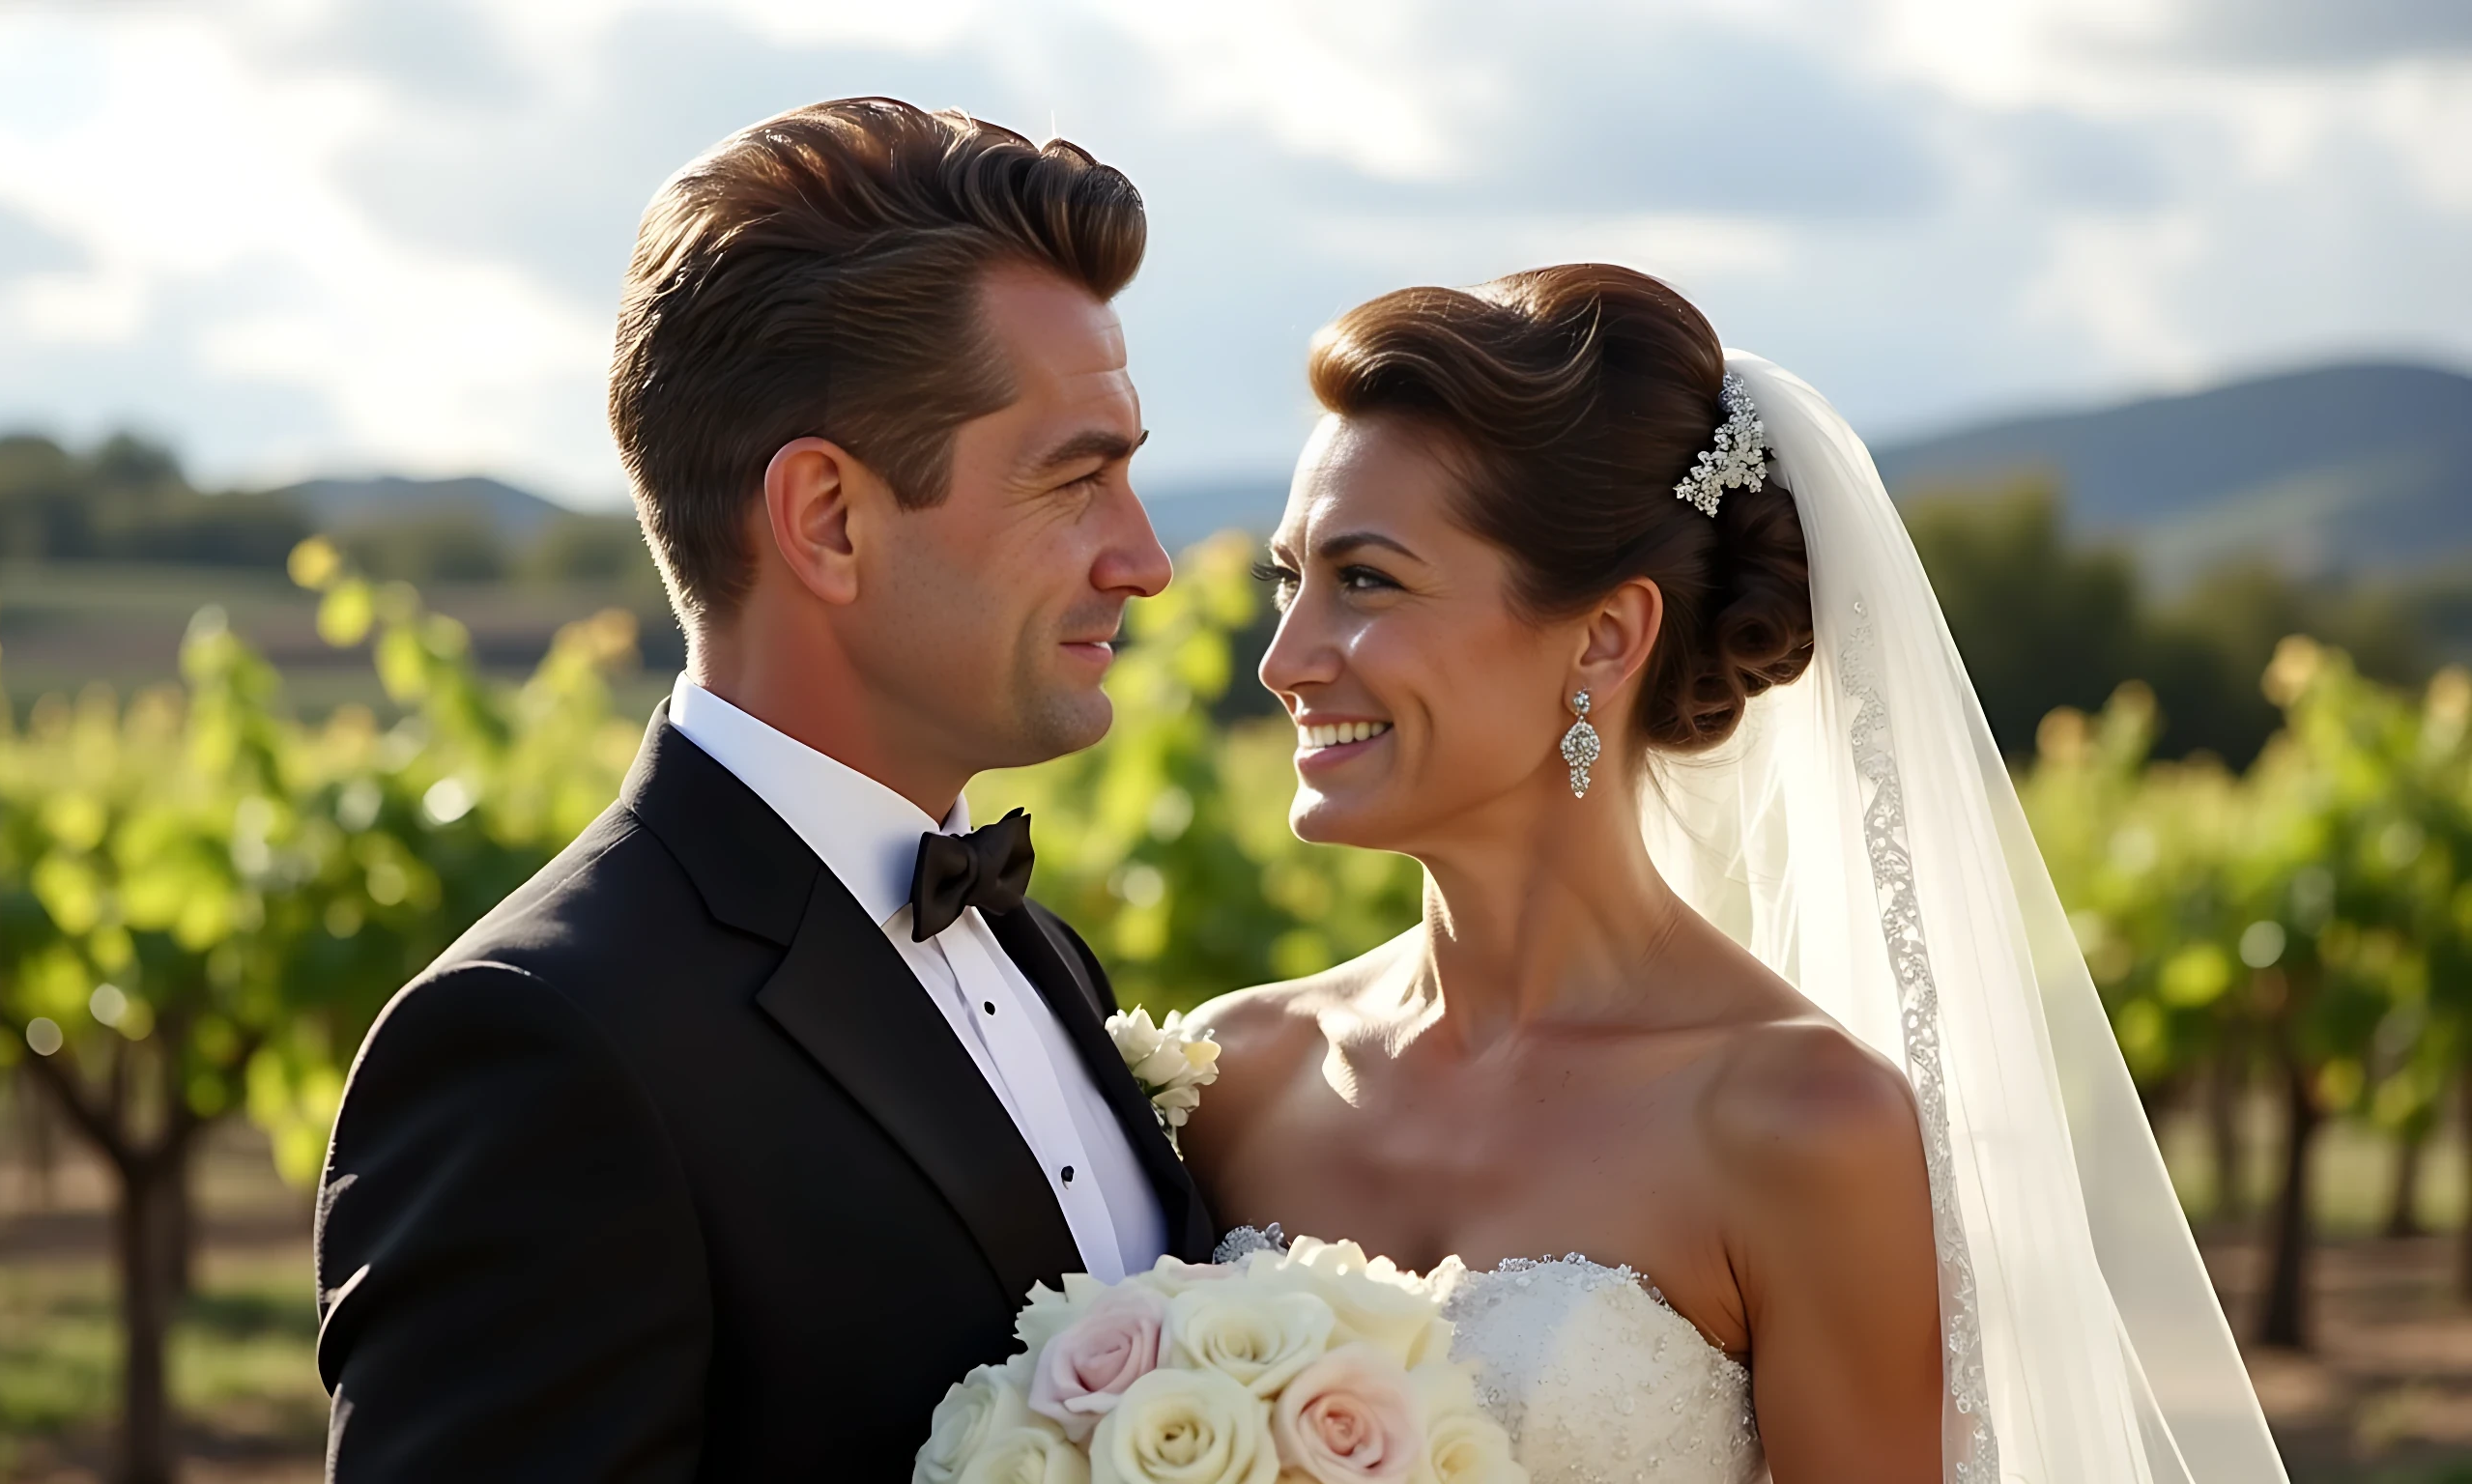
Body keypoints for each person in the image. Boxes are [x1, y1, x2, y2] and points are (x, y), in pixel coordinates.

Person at [1183, 266, 2288, 1483]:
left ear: (1605, 637)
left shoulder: (1801, 1125)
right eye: (1292, 578)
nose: (1284, 660)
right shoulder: (1233, 1077)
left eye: (1365, 580)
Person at [311, 98, 1213, 1479]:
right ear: (829, 522)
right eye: (1075, 482)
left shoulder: (1046, 957)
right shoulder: (540, 1050)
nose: (1145, 561)